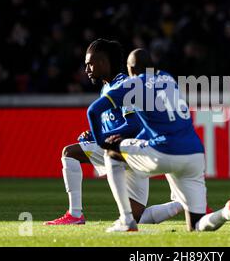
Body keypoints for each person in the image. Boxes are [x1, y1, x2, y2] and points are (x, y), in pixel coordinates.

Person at [87, 48, 230, 232]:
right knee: (197, 225)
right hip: (194, 154)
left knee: (111, 153)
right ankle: (227, 212)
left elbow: (93, 111)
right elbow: (160, 121)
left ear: (131, 69)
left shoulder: (133, 84)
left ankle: (126, 220)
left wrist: (102, 141)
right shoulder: (168, 79)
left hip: (165, 151)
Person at [44, 39, 183, 225]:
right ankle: (182, 204)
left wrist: (100, 137)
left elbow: (134, 124)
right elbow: (117, 124)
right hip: (133, 154)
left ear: (102, 62)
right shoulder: (106, 88)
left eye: (90, 64)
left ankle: (75, 214)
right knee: (138, 217)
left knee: (69, 153)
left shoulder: (124, 85)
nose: (87, 70)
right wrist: (94, 134)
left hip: (127, 149)